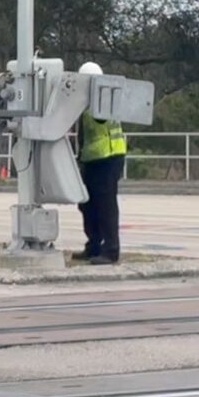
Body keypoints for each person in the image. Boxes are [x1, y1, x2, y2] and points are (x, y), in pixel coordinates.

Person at [74, 61, 127, 265]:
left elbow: (100, 120)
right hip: (92, 158)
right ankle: (94, 245)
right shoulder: (88, 98)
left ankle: (111, 250)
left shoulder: (102, 98)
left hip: (108, 158)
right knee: (87, 204)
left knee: (105, 205)